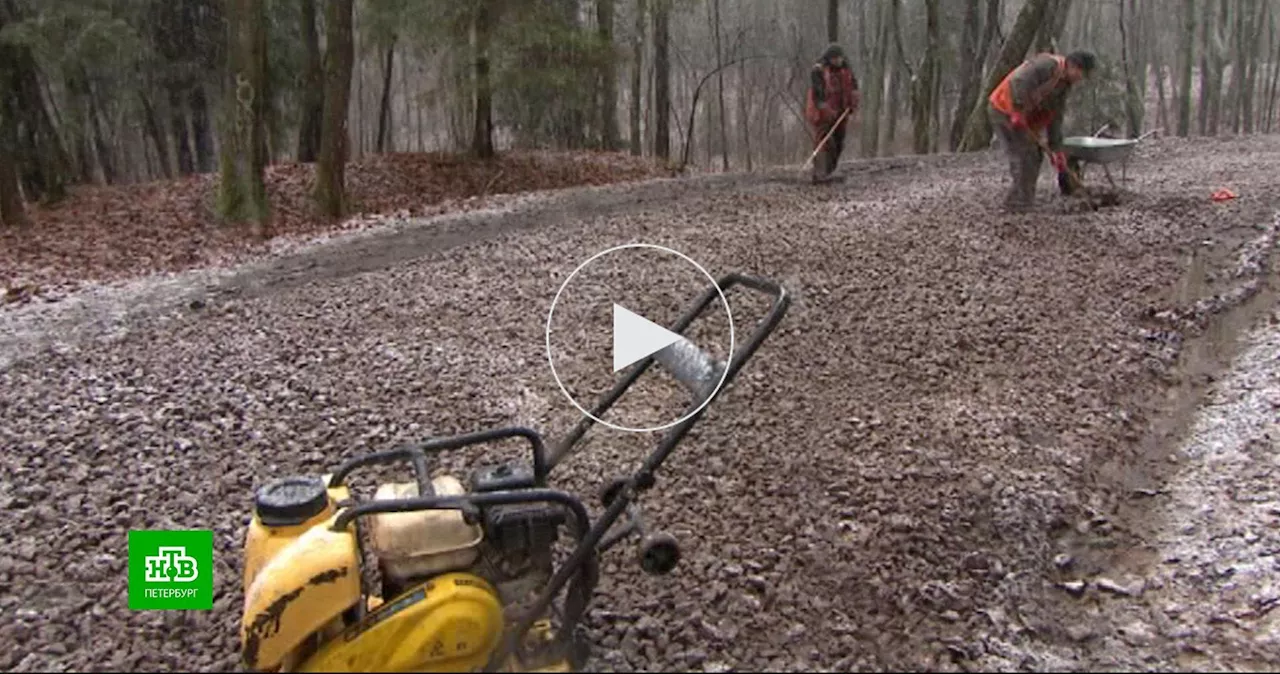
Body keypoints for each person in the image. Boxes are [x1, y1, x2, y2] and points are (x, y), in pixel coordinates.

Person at [986, 50, 1096, 212]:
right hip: (1004, 108)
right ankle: (1018, 204)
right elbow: (1019, 80)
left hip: (1023, 116)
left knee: (1035, 154)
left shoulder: (1064, 86)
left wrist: (1056, 149)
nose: (1081, 79)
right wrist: (1017, 109)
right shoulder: (1047, 65)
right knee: (1023, 153)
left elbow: (1055, 117)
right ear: (1073, 65)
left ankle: (1023, 201)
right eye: (1082, 73)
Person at [805, 43, 860, 184]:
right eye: (835, 58)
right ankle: (819, 172)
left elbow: (854, 86)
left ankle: (830, 170)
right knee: (824, 142)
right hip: (823, 112)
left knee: (839, 142)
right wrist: (824, 109)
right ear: (829, 58)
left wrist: (853, 101)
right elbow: (817, 95)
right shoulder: (818, 70)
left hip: (841, 110)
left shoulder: (846, 69)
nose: (838, 61)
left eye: (840, 58)